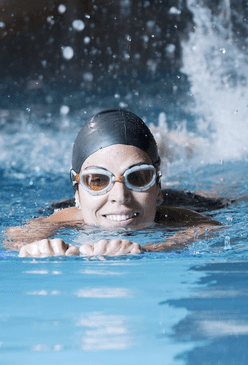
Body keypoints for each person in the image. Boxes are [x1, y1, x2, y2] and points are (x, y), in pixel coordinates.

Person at [4, 109, 222, 257]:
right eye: (98, 180)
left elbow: (211, 229)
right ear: (78, 193)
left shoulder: (180, 215)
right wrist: (36, 247)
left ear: (158, 189)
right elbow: (18, 236)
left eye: (137, 176)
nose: (120, 195)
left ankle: (168, 146)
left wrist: (148, 249)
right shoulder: (68, 216)